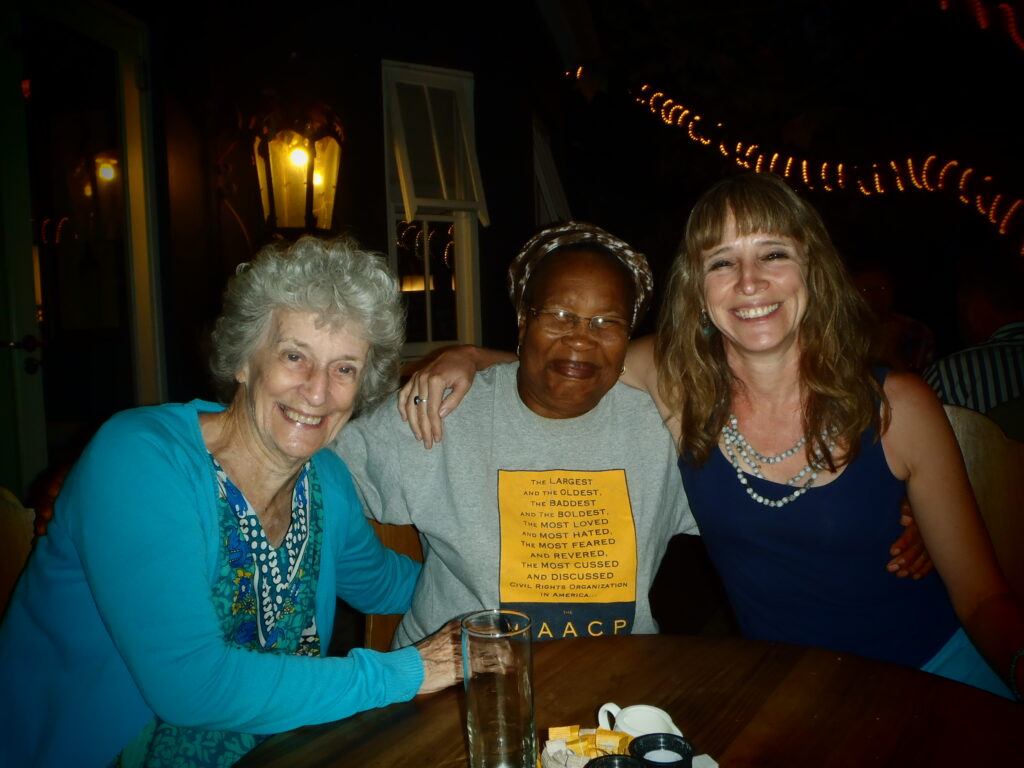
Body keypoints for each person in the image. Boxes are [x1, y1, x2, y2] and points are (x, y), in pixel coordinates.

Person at [404, 176, 1024, 700]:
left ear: (813, 270)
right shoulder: (678, 386)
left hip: (937, 680)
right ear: (699, 293)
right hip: (789, 695)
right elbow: (574, 354)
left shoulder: (897, 407)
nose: (749, 281)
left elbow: (982, 600)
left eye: (773, 254)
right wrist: (465, 356)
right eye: (722, 262)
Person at [0, 236, 462, 768]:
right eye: (295, 356)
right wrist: (411, 671)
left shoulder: (326, 483)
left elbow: (389, 584)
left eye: (344, 368)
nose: (317, 392)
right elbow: (193, 687)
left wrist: (512, 589)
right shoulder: (141, 461)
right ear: (244, 361)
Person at [334, 222, 698, 646]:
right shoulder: (440, 410)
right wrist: (386, 584)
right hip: (461, 687)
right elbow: (313, 489)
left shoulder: (661, 423)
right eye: (560, 315)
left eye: (606, 321)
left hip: (616, 689)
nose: (581, 338)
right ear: (524, 320)